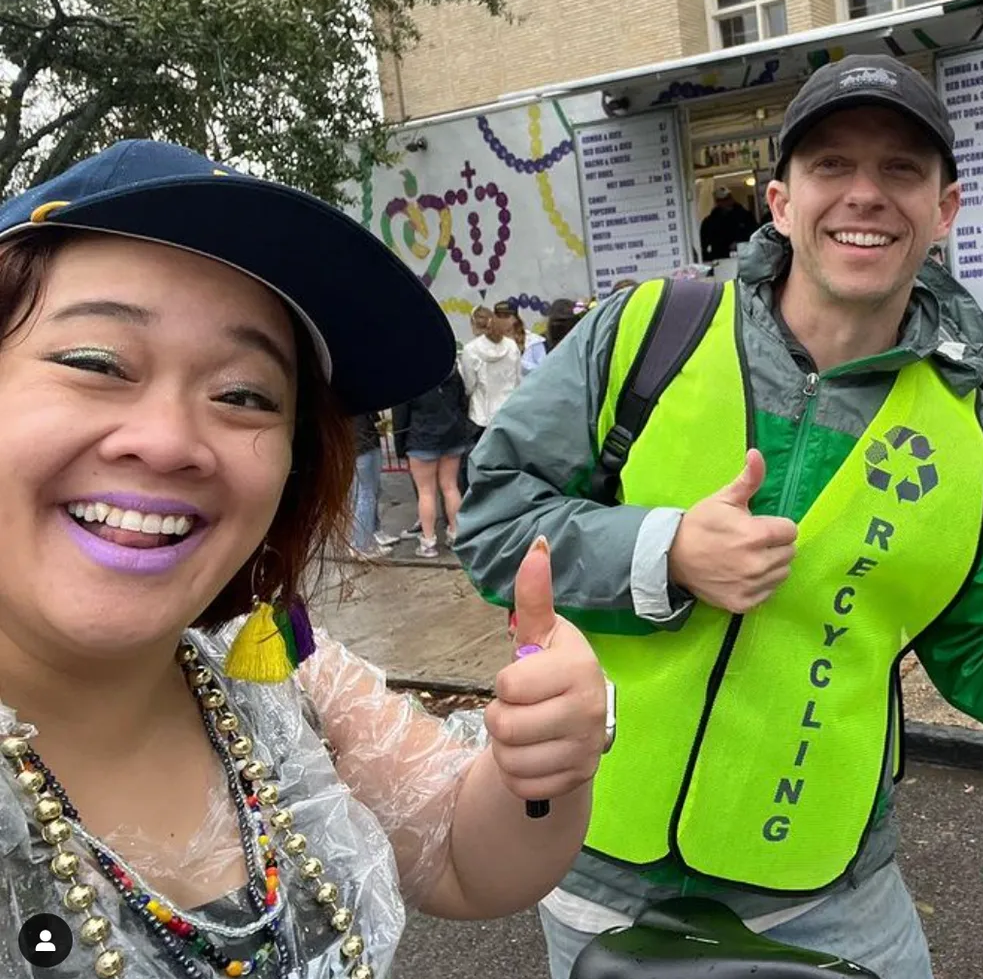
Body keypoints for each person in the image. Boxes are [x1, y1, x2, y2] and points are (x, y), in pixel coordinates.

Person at [456, 53, 983, 977]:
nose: (866, 194)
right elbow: (495, 516)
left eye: (901, 170)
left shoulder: (969, 436)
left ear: (944, 211)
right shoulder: (652, 330)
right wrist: (666, 549)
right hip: (598, 862)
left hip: (827, 888)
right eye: (831, 167)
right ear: (780, 201)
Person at [0, 140, 609, 977]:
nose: (171, 441)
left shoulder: (279, 674)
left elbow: (468, 858)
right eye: (96, 363)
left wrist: (549, 756)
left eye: (244, 394)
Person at [391, 367, 476, 557]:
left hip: (421, 438)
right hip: (452, 436)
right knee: (451, 487)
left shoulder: (408, 376)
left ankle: (428, 542)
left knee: (426, 492)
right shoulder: (452, 372)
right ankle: (455, 534)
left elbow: (401, 415)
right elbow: (462, 402)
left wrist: (400, 446)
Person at [459, 301, 521, 436]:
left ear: (473, 324)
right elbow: (518, 380)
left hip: (481, 414)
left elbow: (469, 386)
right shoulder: (512, 345)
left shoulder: (470, 349)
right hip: (509, 411)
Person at [348, 412, 391, 559]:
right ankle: (363, 544)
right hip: (361, 445)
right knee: (366, 495)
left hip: (364, 443)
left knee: (366, 493)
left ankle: (365, 538)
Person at [519, 299, 584, 378]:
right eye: (556, 321)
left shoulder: (582, 347)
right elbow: (527, 376)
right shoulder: (536, 348)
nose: (559, 326)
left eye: (565, 322)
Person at [699, 182, 758, 261]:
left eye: (728, 198)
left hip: (745, 258)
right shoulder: (709, 223)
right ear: (717, 202)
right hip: (721, 260)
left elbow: (755, 236)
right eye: (722, 200)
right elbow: (704, 246)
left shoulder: (745, 216)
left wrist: (740, 244)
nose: (726, 202)